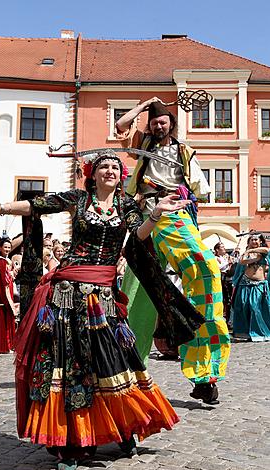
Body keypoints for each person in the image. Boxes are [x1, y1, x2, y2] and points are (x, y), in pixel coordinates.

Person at [0, 149, 201, 470]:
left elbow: (136, 238)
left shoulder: (127, 205)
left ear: (121, 175)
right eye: (103, 166)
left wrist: (156, 213)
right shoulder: (79, 198)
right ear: (93, 172)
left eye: (115, 167)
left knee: (115, 361)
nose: (110, 171)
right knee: (70, 367)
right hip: (67, 295)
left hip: (102, 297)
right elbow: (36, 205)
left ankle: (123, 426)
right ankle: (72, 442)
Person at [116, 98, 231, 405]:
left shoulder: (183, 150)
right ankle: (126, 371)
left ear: (171, 123)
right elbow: (121, 126)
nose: (158, 124)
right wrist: (145, 105)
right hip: (147, 218)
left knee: (206, 271)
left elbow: (200, 189)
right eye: (154, 121)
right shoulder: (143, 143)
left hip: (176, 217)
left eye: (163, 121)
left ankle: (205, 375)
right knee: (139, 293)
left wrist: (186, 200)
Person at [232, 234, 270, 342]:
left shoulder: (263, 252)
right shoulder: (247, 253)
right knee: (244, 306)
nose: (254, 241)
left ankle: (260, 332)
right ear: (248, 242)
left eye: (256, 240)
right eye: (252, 240)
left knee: (255, 307)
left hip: (259, 285)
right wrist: (250, 254)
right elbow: (242, 262)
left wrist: (251, 253)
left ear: (260, 241)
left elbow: (266, 249)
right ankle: (246, 333)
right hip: (246, 284)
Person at [214, 242, 234, 323]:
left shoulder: (224, 257)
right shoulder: (215, 258)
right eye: (222, 247)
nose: (224, 248)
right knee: (222, 299)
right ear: (217, 250)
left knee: (229, 300)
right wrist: (227, 262)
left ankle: (229, 320)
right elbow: (218, 267)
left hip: (227, 280)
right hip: (221, 280)